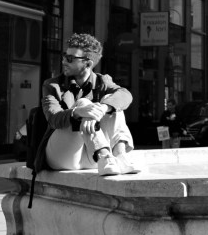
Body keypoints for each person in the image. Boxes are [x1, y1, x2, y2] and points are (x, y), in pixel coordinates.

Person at [37, 33, 140, 176]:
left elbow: (125, 95)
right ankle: (104, 154)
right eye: (64, 56)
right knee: (83, 103)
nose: (64, 61)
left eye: (70, 58)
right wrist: (78, 112)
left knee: (112, 102)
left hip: (91, 156)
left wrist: (103, 108)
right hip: (62, 156)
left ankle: (120, 155)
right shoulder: (52, 85)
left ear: (88, 64)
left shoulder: (102, 81)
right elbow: (54, 119)